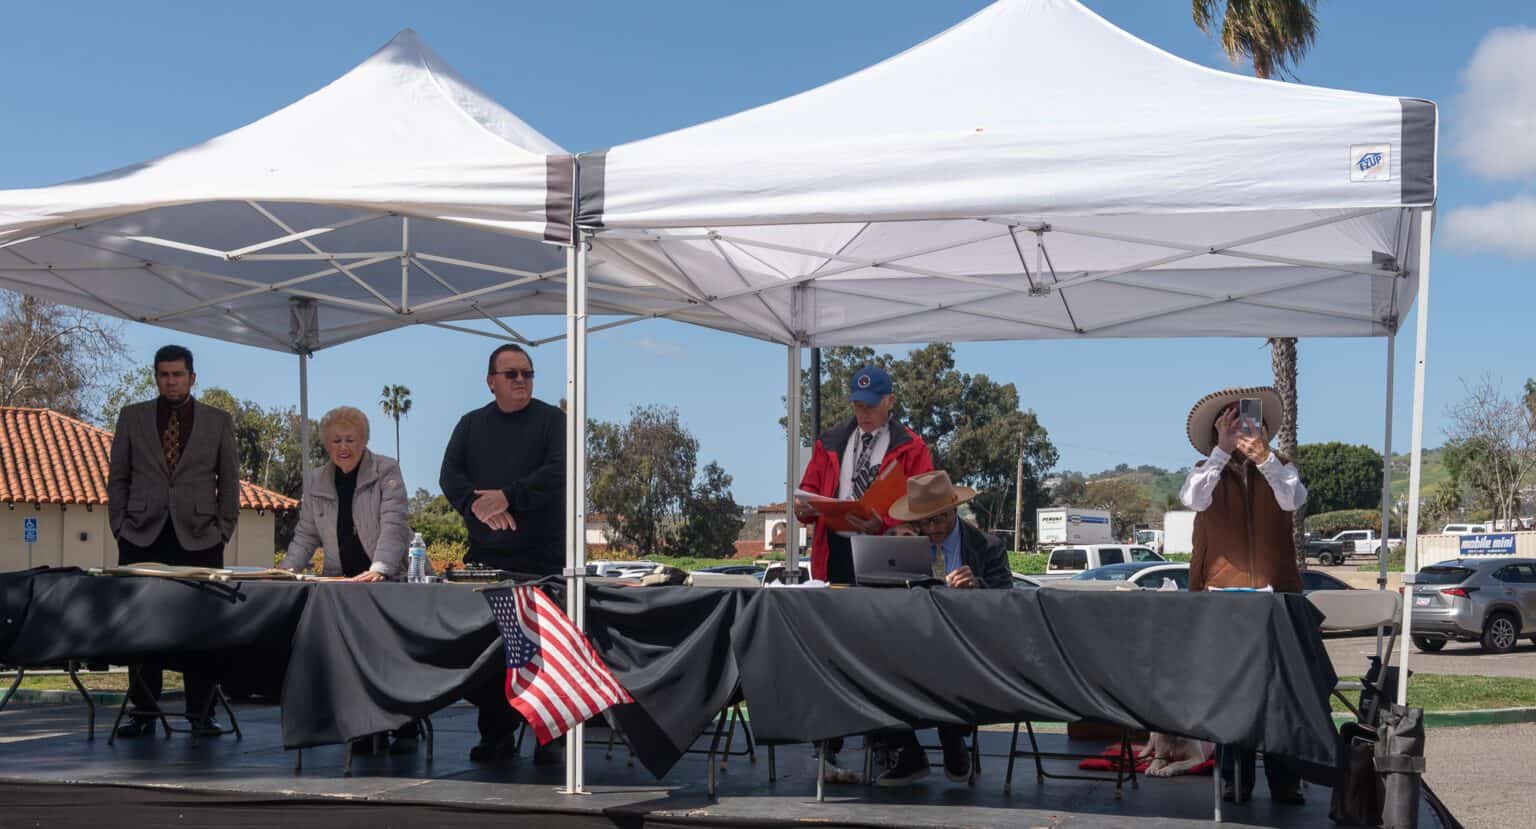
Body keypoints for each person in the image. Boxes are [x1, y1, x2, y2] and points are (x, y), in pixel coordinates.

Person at [1178, 385, 1308, 805]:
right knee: (1233, 695)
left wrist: (1265, 459)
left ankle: (1286, 781)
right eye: (1232, 421)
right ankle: (1234, 783)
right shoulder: (1206, 470)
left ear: (1265, 428)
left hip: (1277, 601)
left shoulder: (1282, 468)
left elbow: (1293, 499)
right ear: (1219, 428)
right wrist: (1221, 451)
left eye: (1248, 420)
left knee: (1281, 693)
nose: (1242, 428)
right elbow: (1193, 499)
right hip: (1225, 603)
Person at [106, 344, 240, 738]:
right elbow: (118, 478)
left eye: (178, 374)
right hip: (140, 536)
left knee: (201, 629)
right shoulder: (132, 417)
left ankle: (202, 713)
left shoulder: (218, 421)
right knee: (141, 628)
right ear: (156, 377)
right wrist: (120, 526)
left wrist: (223, 530)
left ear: (192, 377)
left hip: (200, 538)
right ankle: (143, 713)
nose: (171, 381)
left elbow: (229, 483)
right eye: (164, 374)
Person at [440, 344, 565, 764]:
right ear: (490, 381)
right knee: (493, 660)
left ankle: (551, 738)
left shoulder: (552, 420)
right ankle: (496, 734)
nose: (520, 381)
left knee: (543, 658)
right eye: (511, 374)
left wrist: (508, 498)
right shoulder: (470, 425)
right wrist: (479, 506)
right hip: (487, 564)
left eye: (527, 374)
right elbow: (449, 475)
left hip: (542, 565)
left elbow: (560, 470)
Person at [873, 470, 1011, 787]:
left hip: (969, 646)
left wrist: (977, 588)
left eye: (939, 520)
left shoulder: (987, 547)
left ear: (954, 510)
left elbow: (1009, 600)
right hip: (908, 641)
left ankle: (952, 739)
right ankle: (906, 750)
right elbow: (874, 595)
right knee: (868, 660)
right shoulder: (897, 544)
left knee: (942, 663)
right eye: (923, 522)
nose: (931, 529)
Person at [795, 366, 934, 584]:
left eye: (871, 406)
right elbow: (809, 490)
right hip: (834, 551)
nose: (864, 413)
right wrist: (802, 507)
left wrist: (885, 525)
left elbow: (926, 506)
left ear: (890, 401)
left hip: (886, 551)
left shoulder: (912, 447)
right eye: (858, 406)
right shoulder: (829, 442)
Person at [279, 406, 411, 581]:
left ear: (364, 441)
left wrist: (381, 568)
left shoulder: (387, 470)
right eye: (336, 441)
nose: (343, 447)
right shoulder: (315, 480)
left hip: (389, 578)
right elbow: (306, 535)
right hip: (339, 581)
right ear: (326, 445)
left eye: (350, 440)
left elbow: (394, 524)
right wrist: (285, 571)